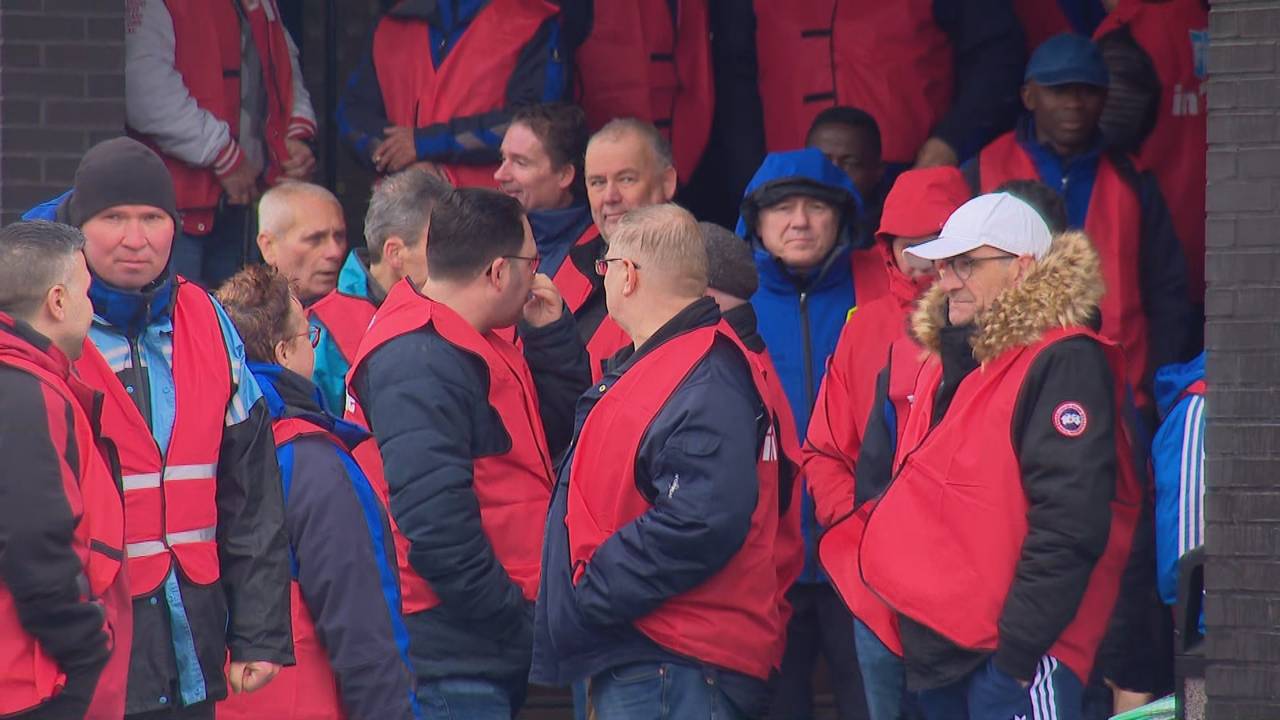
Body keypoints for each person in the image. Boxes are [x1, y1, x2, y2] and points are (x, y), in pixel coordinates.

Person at [25, 137, 294, 720]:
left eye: (152, 218)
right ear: (78, 227)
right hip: (78, 655)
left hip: (190, 645)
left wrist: (261, 632)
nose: (135, 237)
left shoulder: (206, 317)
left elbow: (251, 490)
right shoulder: (40, 324)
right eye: (113, 218)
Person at [857, 193, 1142, 719]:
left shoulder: (1065, 360)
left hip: (1016, 658)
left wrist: (1016, 659)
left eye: (967, 263)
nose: (946, 280)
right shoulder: (953, 358)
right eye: (944, 265)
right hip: (947, 651)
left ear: (1023, 269)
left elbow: (1067, 526)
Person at [532, 204, 795, 719]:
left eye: (604, 267)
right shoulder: (680, 363)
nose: (602, 279)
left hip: (675, 661)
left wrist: (593, 587)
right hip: (662, 657)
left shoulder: (702, 372)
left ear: (626, 275)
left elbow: (701, 517)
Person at [346, 188, 589, 718]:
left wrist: (550, 339)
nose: (539, 277)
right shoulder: (419, 354)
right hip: (448, 646)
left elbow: (542, 443)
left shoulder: (467, 338)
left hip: (474, 639)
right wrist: (512, 619)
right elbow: (435, 524)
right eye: (533, 262)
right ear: (499, 272)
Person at [214, 266, 417, 720]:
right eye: (310, 336)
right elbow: (362, 623)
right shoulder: (309, 460)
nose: (314, 347)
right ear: (285, 352)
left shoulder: (185, 442)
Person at [805, 167, 971, 720]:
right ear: (888, 248)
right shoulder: (865, 327)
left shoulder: (1001, 326)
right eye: (909, 243)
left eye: (938, 240)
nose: (922, 258)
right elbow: (824, 447)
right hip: (877, 581)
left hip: (966, 578)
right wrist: (857, 527)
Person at [962, 32, 1192, 412]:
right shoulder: (980, 172)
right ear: (1028, 96)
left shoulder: (1134, 179)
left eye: (1087, 90)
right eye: (1058, 90)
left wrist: (1153, 383)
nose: (1074, 103)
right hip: (1005, 385)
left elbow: (1167, 290)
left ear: (1104, 98)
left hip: (1122, 392)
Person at [735, 148, 869, 720]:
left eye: (816, 206)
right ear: (756, 221)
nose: (799, 221)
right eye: (782, 207)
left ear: (842, 216)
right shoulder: (729, 306)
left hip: (862, 555)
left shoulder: (879, 296)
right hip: (768, 560)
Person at [0, 221, 131, 720]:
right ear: (57, 301)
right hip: (32, 681)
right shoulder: (25, 391)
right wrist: (87, 644)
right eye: (87, 294)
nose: (91, 309)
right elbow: (35, 539)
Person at [126, 0, 317, 288]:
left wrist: (294, 135)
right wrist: (224, 155)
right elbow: (145, 93)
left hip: (242, 206)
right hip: (175, 213)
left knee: (237, 322)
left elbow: (282, 65)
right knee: (178, 322)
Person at [749, 0, 1025, 169]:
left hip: (909, 168)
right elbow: (735, 78)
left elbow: (996, 58)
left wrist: (950, 141)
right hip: (792, 177)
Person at [337, 0, 578, 188]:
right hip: (400, 211)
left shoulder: (532, 19)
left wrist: (424, 144)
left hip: (494, 215)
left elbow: (540, 123)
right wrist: (395, 155)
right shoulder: (391, 25)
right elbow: (351, 115)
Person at [1095, 0, 1208, 342]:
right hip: (1224, 238)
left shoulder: (1124, 33)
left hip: (1154, 233)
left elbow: (1101, 142)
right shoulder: (1211, 16)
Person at [308, 167, 452, 414]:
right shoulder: (322, 329)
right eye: (438, 244)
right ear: (394, 252)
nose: (453, 255)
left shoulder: (461, 304)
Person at [576, 118, 680, 377]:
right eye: (597, 182)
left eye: (626, 179)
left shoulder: (700, 274)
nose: (610, 196)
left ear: (667, 182)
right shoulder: (568, 268)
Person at [806, 107, 889, 261]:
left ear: (878, 171)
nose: (833, 172)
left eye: (850, 163)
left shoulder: (892, 238)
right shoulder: (776, 226)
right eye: (822, 161)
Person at [256, 182, 348, 305]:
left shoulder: (367, 316)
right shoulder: (235, 321)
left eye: (339, 237)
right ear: (268, 247)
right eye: (315, 239)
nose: (335, 252)